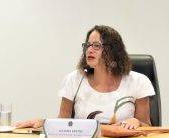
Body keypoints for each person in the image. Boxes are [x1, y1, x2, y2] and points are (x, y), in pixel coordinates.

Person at [18, 25, 154, 129]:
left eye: (96, 46)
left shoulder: (138, 82)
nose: (89, 50)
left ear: (113, 51)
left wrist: (137, 122)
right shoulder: (74, 80)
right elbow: (62, 122)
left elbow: (148, 127)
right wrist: (44, 123)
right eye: (87, 45)